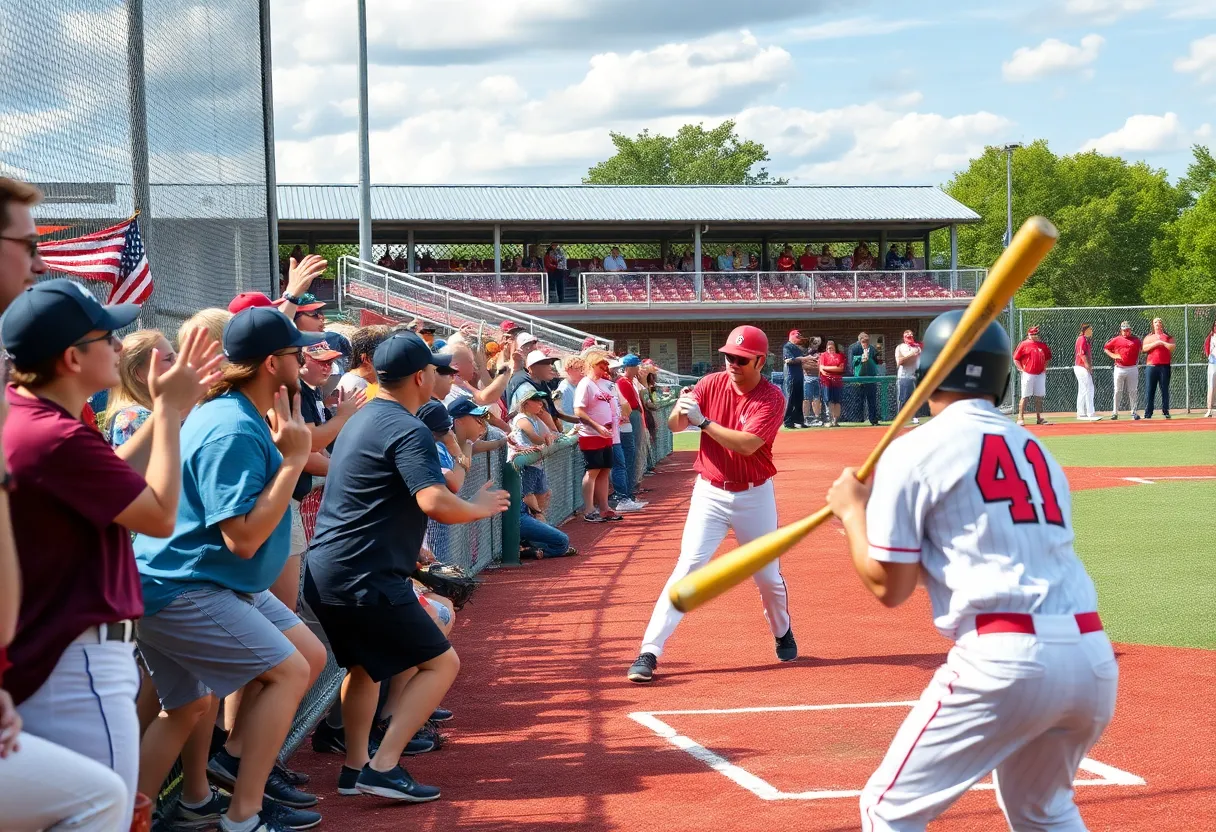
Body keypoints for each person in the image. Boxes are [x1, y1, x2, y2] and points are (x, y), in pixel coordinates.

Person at [825, 309, 1116, 832]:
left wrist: (851, 513)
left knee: (886, 809)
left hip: (1003, 658)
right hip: (1091, 654)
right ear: (1003, 377)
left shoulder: (913, 451)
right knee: (1043, 813)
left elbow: (891, 586)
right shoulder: (1036, 449)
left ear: (928, 374)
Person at [1, 279, 221, 817]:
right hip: (77, 662)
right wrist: (169, 412)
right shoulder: (55, 435)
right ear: (72, 358)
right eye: (108, 338)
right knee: (104, 809)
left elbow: (113, 480)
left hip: (53, 652)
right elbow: (159, 515)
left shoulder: (31, 415)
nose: (119, 349)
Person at [134, 308, 329, 832]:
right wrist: (292, 462)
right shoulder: (232, 428)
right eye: (296, 353)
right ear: (271, 363)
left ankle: (134, 807)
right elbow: (241, 538)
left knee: (197, 703)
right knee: (287, 671)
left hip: (206, 581)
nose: (304, 359)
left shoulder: (239, 410)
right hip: (185, 584)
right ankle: (244, 816)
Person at [304, 332, 509, 802]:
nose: (440, 377)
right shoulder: (408, 426)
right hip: (365, 573)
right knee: (441, 663)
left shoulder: (361, 418)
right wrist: (477, 505)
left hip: (330, 568)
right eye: (436, 370)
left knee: (363, 669)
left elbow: (369, 494)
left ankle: (356, 768)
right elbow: (434, 500)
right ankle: (383, 765)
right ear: (420, 377)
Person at [627, 326, 793, 684]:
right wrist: (684, 408)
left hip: (754, 494)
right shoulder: (711, 382)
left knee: (767, 578)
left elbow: (747, 444)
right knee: (687, 569)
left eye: (741, 359)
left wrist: (703, 421)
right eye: (728, 356)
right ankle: (649, 651)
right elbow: (675, 426)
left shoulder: (772, 397)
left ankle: (782, 631)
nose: (732, 363)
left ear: (760, 361)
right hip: (710, 492)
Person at [101, 329, 177, 447]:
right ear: (138, 373)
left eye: (175, 357)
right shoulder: (136, 418)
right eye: (168, 359)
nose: (177, 365)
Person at [574, 350, 622, 523]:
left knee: (605, 469)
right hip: (591, 434)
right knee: (593, 470)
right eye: (601, 365)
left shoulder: (601, 384)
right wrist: (597, 426)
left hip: (606, 434)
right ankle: (589, 509)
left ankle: (604, 508)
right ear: (591, 365)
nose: (604, 369)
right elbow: (578, 410)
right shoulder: (585, 384)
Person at [612, 355, 647, 511]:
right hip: (629, 417)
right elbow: (629, 405)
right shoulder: (622, 382)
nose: (638, 368)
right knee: (630, 454)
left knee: (634, 453)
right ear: (629, 367)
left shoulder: (629, 381)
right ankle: (626, 493)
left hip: (634, 415)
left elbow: (642, 397)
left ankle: (630, 492)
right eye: (636, 366)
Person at [1013, 325, 1052, 426]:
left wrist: (1044, 368)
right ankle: (1020, 417)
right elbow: (1016, 358)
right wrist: (1021, 369)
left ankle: (1039, 418)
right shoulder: (1024, 344)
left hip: (1040, 374)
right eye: (1033, 334)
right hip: (1028, 373)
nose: (1035, 336)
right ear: (1029, 335)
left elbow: (1048, 357)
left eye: (1036, 334)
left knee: (1039, 396)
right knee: (1025, 396)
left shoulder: (1042, 345)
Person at [1104, 321, 1142, 420]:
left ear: (1130, 330)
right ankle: (1115, 412)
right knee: (1117, 391)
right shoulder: (1116, 339)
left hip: (1132, 368)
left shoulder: (1136, 340)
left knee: (1133, 391)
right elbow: (1106, 348)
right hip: (1119, 368)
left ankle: (1133, 412)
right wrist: (1113, 355)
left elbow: (1141, 350)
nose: (1126, 332)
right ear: (1121, 330)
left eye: (1128, 330)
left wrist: (1138, 361)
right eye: (1124, 330)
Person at [1142, 317, 1175, 420]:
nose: (1158, 323)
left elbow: (1172, 347)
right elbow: (1144, 348)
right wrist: (1156, 343)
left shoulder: (1167, 336)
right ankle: (1148, 413)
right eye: (1155, 322)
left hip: (1164, 366)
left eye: (1159, 322)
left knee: (1164, 389)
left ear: (1162, 324)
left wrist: (1162, 343)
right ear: (1153, 324)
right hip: (1151, 367)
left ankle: (1166, 411)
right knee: (1150, 390)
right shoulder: (1148, 337)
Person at [852, 334, 881, 426]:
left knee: (872, 400)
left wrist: (871, 359)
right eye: (863, 342)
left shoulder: (873, 349)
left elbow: (877, 361)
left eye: (867, 341)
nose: (866, 343)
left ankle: (873, 419)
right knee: (859, 400)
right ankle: (858, 419)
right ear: (860, 342)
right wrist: (861, 358)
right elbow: (852, 362)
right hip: (859, 378)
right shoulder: (855, 348)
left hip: (871, 378)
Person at [893, 330, 922, 425]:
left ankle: (915, 417)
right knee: (903, 399)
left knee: (914, 398)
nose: (910, 337)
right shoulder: (900, 347)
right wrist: (912, 356)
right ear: (904, 338)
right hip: (903, 376)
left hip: (914, 376)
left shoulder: (917, 347)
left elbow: (920, 361)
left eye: (911, 335)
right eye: (907, 336)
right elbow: (900, 362)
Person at [1074, 323, 1100, 421]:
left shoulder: (1085, 340)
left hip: (1081, 367)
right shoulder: (1082, 339)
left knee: (1083, 389)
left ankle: (1081, 413)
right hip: (1081, 367)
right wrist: (1088, 366)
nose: (1092, 331)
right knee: (1089, 388)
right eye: (1090, 329)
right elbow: (1082, 354)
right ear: (1085, 330)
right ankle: (1090, 413)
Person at [818, 339, 845, 427]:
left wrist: (826, 368)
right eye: (828, 348)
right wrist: (824, 368)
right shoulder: (823, 355)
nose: (830, 350)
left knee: (837, 401)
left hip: (837, 381)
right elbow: (821, 369)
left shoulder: (840, 355)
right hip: (826, 381)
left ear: (835, 347)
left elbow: (840, 369)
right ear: (826, 348)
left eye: (832, 348)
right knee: (828, 400)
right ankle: (829, 420)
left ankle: (835, 420)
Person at [782, 330, 806, 429]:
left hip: (799, 376)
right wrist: (803, 359)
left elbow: (801, 361)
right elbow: (788, 360)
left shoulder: (798, 348)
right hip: (791, 376)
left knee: (799, 399)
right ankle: (788, 421)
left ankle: (799, 421)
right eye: (797, 337)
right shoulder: (787, 346)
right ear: (791, 337)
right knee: (790, 399)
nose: (799, 340)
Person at [801, 336, 823, 426]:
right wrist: (811, 361)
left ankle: (817, 417)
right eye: (814, 343)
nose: (816, 346)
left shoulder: (820, 355)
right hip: (807, 378)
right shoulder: (804, 354)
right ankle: (805, 418)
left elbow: (820, 366)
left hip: (817, 378)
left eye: (818, 344)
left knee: (817, 399)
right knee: (806, 399)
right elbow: (805, 366)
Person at [1205, 321, 1216, 418]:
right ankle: (1209, 409)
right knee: (1211, 386)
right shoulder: (1211, 336)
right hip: (1213, 363)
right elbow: (1206, 348)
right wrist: (1209, 356)